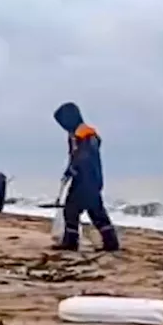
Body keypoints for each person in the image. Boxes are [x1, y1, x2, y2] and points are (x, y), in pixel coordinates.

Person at [52, 102, 119, 251]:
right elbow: (75, 156)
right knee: (95, 211)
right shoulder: (74, 135)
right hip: (85, 178)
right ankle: (111, 242)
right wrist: (69, 170)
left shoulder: (87, 134)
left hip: (88, 178)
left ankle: (71, 242)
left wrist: (74, 168)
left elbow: (85, 156)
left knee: (71, 208)